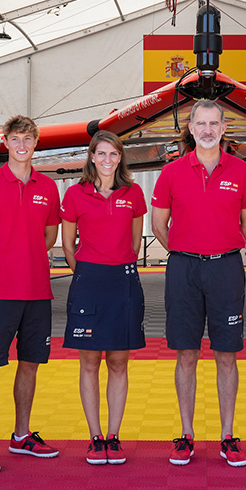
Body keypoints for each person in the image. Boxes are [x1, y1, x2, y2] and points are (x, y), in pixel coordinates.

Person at [151, 99, 246, 466]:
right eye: (201, 124)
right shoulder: (172, 173)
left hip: (226, 269)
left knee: (227, 355)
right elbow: (158, 225)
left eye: (214, 123)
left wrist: (220, 248)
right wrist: (185, 251)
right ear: (191, 129)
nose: (208, 130)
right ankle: (186, 434)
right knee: (186, 353)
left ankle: (228, 435)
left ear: (224, 127)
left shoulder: (242, 171)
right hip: (183, 270)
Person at [0, 115, 61, 472]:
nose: (22, 145)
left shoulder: (48, 187)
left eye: (28, 139)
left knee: (30, 365)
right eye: (16, 139)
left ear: (36, 144)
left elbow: (50, 238)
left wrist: (27, 255)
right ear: (5, 142)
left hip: (37, 291)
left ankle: (21, 435)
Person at [60, 131, 147, 465]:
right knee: (90, 362)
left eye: (114, 154)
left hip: (123, 283)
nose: (108, 160)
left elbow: (135, 241)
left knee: (118, 362)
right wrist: (87, 271)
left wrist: (114, 265)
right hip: (88, 281)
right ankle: (95, 437)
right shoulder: (75, 194)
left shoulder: (134, 193)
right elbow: (68, 245)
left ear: (120, 158)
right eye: (102, 154)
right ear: (92, 156)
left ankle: (113, 435)